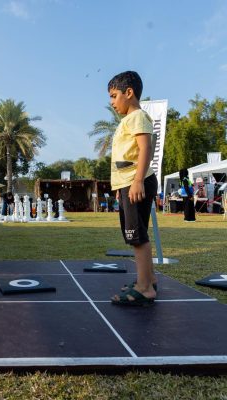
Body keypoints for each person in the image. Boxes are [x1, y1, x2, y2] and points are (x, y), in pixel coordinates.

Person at [107, 71, 158, 306]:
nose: (112, 102)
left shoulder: (137, 116)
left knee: (137, 237)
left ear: (129, 93)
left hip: (136, 182)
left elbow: (145, 148)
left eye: (114, 95)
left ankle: (145, 288)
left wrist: (137, 181)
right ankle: (148, 279)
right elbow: (125, 156)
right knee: (136, 234)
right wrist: (120, 186)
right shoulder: (128, 120)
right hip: (127, 183)